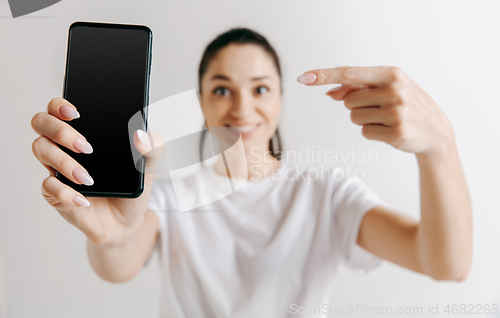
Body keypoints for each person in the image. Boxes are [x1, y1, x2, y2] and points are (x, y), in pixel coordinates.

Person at [30, 27, 472, 317]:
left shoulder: (327, 194)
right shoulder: (166, 197)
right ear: (201, 102)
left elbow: (445, 263)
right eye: (222, 89)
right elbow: (118, 266)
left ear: (280, 99)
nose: (242, 107)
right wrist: (115, 235)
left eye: (260, 88)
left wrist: (440, 148)